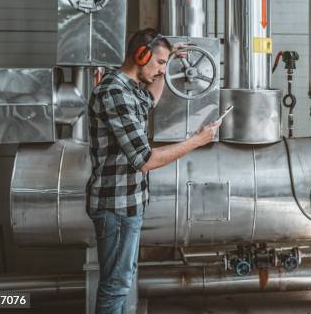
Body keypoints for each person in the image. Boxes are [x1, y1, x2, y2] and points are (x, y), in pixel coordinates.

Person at [85, 28, 219, 313]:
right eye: (158, 62)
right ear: (140, 55)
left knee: (122, 280)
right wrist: (197, 140)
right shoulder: (114, 92)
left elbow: (152, 101)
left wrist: (169, 65)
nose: (160, 71)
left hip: (128, 203)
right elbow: (144, 159)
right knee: (116, 285)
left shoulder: (131, 89)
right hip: (116, 206)